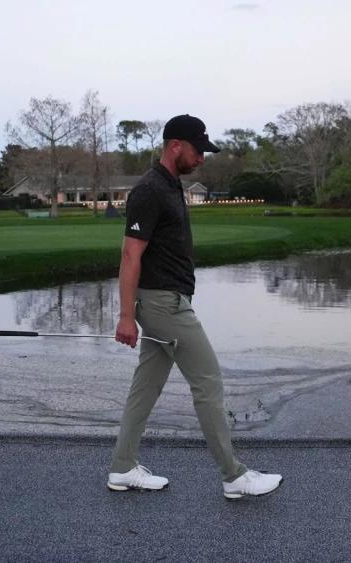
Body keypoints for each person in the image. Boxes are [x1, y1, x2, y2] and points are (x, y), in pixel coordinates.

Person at [107, 114, 282, 500]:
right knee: (208, 382)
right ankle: (234, 476)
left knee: (146, 386)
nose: (202, 157)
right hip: (164, 304)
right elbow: (129, 256)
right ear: (175, 146)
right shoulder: (150, 190)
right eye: (197, 149)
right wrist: (124, 315)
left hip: (165, 301)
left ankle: (122, 467)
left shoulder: (170, 187)